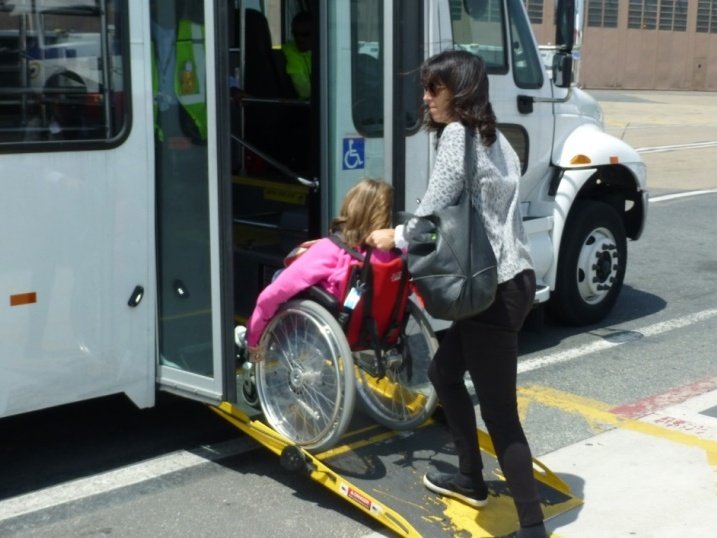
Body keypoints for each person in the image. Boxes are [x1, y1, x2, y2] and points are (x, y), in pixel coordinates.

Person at [366, 50, 546, 538]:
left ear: (459, 91)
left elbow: (431, 212)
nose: (426, 99)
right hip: (509, 280)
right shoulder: (498, 138)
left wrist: (394, 237)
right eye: (425, 88)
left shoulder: (456, 136)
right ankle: (470, 478)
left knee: (501, 414)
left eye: (434, 88)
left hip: (493, 287)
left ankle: (532, 525)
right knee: (444, 371)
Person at [246, 179, 397, 359]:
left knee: (280, 277)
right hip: (379, 328)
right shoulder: (395, 255)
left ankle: (271, 345)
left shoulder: (330, 250)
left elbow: (271, 296)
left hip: (334, 330)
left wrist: (253, 337)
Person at [281, 11, 313, 99]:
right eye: (296, 34)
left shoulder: (325, 50)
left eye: (305, 34)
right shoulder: (289, 52)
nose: (300, 39)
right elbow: (304, 92)